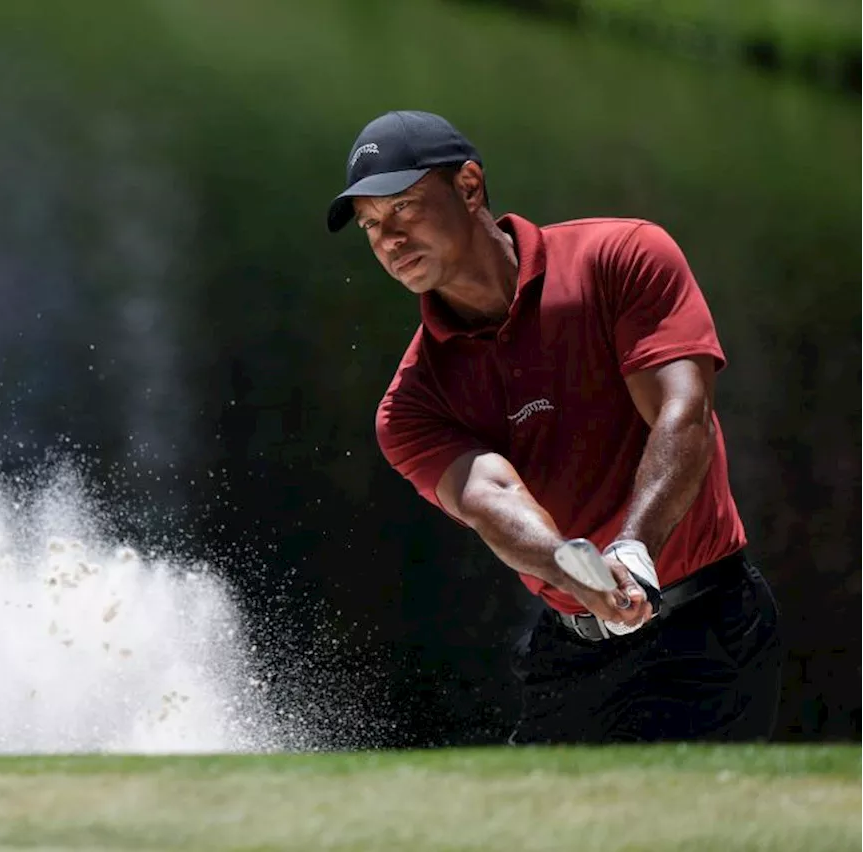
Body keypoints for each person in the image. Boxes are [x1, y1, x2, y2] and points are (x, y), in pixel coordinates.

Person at [326, 110, 783, 744]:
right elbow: (494, 500)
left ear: (469, 185)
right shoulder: (410, 404)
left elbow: (684, 415)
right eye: (372, 226)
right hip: (571, 647)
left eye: (404, 207)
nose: (389, 240)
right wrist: (582, 577)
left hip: (706, 627)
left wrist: (633, 549)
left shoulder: (620, 257)